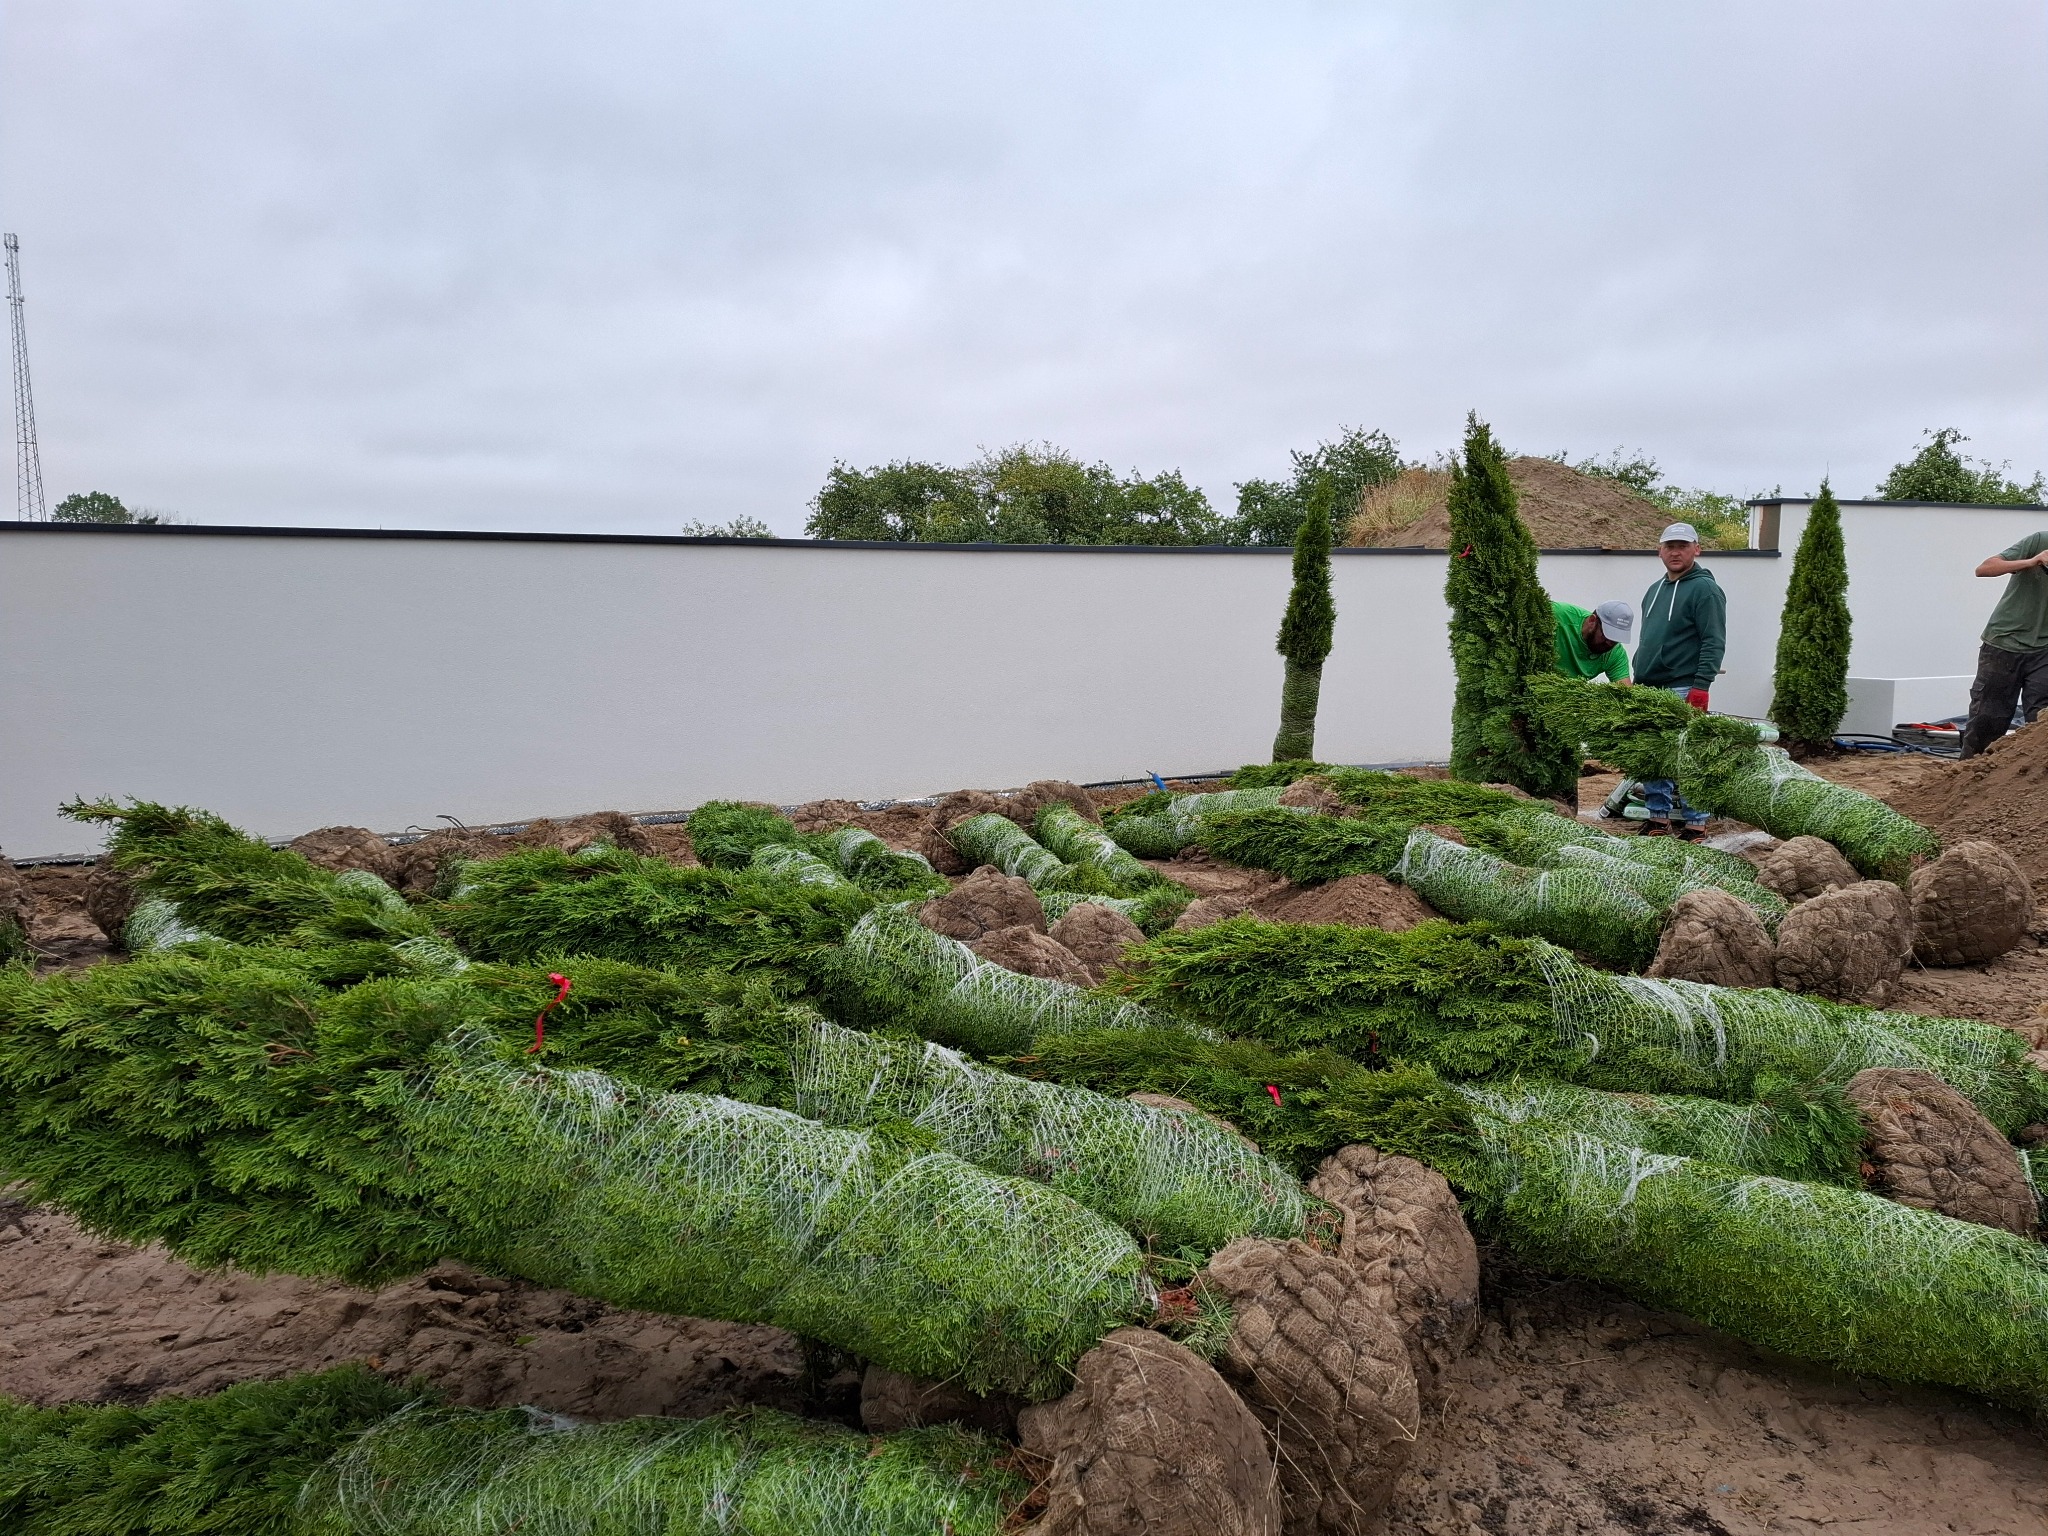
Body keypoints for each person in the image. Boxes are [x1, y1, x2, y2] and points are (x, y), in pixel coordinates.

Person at [1633, 522, 1726, 839]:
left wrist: (1701, 686)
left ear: (1696, 549)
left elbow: (1713, 641)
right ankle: (1658, 818)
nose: (1675, 551)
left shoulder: (1706, 590)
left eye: (1682, 546)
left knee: (1687, 757)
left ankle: (1696, 823)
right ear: (1659, 550)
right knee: (1655, 756)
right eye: (1669, 546)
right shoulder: (1653, 590)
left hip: (1682, 686)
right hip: (1650, 687)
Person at [1959, 531, 2048, 758]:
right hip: (2003, 645)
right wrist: (2033, 561)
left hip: (2045, 651)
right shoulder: (2040, 541)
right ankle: (1970, 778)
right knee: (1987, 720)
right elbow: (1985, 569)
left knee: (2042, 722)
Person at [1552, 598, 1636, 682]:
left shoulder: (1615, 653)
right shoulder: (1558, 615)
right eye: (1607, 635)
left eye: (1616, 639)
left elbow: (1625, 690)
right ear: (1592, 621)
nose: (1610, 643)